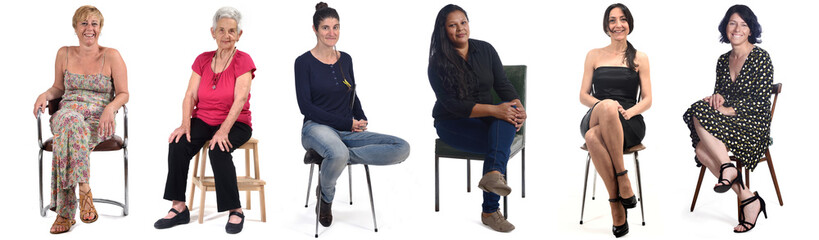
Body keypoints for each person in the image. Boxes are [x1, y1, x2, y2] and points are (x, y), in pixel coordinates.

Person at [294, 2, 410, 228]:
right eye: (326, 28)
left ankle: (332, 160)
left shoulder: (345, 59)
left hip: (348, 130)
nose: (331, 33)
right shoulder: (303, 62)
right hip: (316, 128)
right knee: (336, 151)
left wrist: (361, 117)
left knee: (402, 147)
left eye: (336, 27)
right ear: (315, 29)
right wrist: (347, 122)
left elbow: (352, 93)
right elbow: (306, 107)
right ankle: (325, 198)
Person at [153, 6, 256, 234]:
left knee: (218, 149)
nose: (226, 36)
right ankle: (179, 208)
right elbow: (189, 95)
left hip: (236, 121)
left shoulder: (243, 61)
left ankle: (235, 210)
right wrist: (185, 123)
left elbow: (240, 100)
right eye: (221, 30)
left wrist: (223, 131)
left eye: (231, 31)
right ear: (213, 32)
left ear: (239, 34)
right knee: (177, 143)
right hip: (204, 118)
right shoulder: (202, 59)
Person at [428, 4, 526, 233]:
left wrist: (519, 107)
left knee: (506, 115)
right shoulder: (437, 63)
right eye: (452, 25)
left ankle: (492, 180)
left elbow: (503, 84)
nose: (460, 29)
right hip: (452, 123)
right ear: (444, 30)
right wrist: (495, 111)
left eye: (463, 22)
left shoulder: (485, 49)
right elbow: (453, 106)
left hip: (487, 119)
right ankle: (491, 211)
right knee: (499, 136)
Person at [32, 5, 129, 234]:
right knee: (71, 123)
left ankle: (65, 214)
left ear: (100, 28)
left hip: (99, 119)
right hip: (67, 114)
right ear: (75, 27)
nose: (89, 28)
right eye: (84, 23)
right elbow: (58, 88)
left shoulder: (112, 55)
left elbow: (124, 93)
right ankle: (84, 188)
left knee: (69, 135)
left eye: (94, 24)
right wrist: (44, 95)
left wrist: (111, 108)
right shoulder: (64, 53)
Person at [682, 4, 771, 233]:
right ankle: (748, 197)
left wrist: (730, 110)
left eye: (743, 24)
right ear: (726, 28)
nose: (737, 28)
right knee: (700, 149)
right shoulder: (723, 60)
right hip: (729, 123)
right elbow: (720, 93)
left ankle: (727, 169)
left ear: (751, 30)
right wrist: (716, 99)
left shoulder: (761, 58)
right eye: (732, 23)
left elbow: (761, 101)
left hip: (752, 124)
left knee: (697, 117)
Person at [578, 3, 652, 238]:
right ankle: (623, 178)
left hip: (628, 122)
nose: (617, 24)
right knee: (607, 105)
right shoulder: (593, 54)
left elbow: (648, 99)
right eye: (612, 20)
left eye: (622, 19)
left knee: (592, 137)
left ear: (629, 24)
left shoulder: (640, 57)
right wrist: (603, 106)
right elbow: (583, 95)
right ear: (606, 26)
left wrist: (630, 112)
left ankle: (615, 205)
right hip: (596, 114)